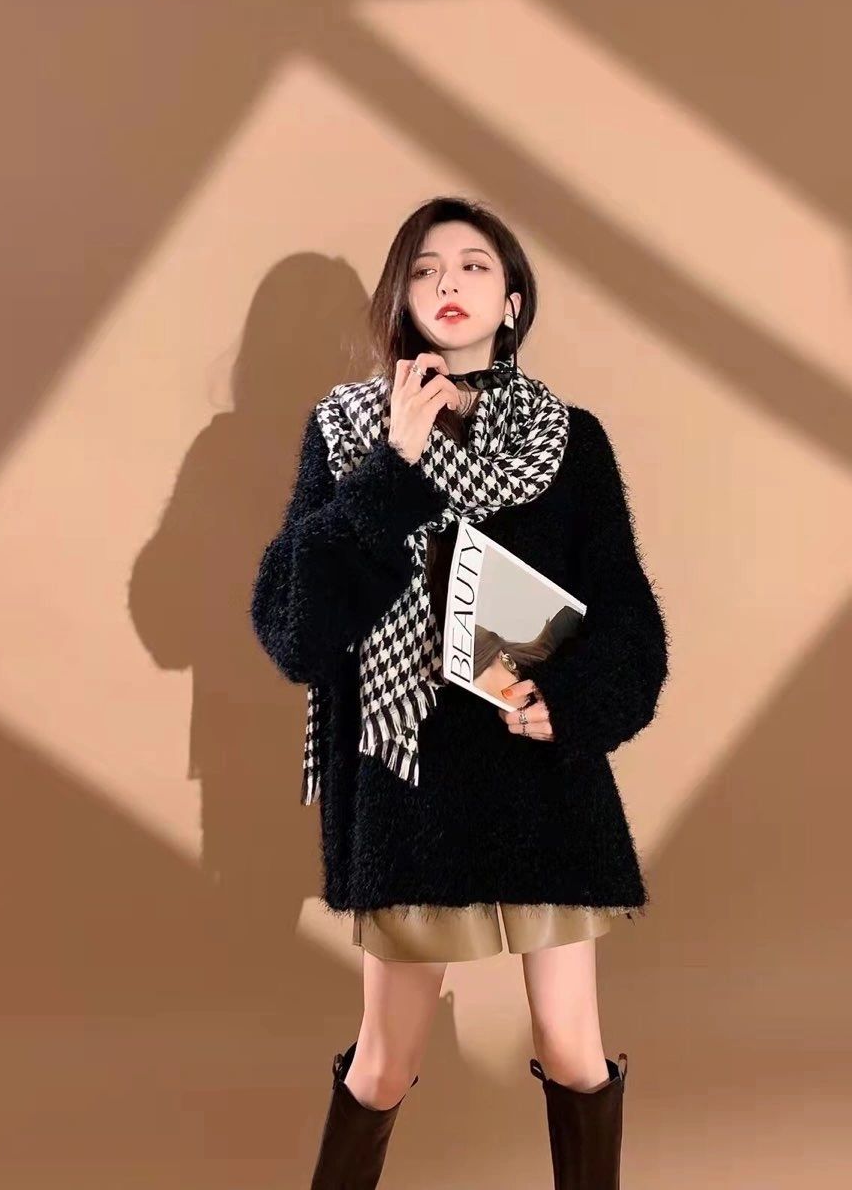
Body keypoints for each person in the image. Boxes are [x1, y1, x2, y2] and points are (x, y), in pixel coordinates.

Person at [250, 195, 670, 1188]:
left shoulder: (570, 441)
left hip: (541, 782)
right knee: (386, 1062)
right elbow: (298, 629)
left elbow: (629, 620)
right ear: (401, 299)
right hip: (410, 791)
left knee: (573, 1048)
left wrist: (570, 701)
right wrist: (393, 465)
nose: (448, 283)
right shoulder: (349, 432)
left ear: (512, 301)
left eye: (474, 266)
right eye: (426, 268)